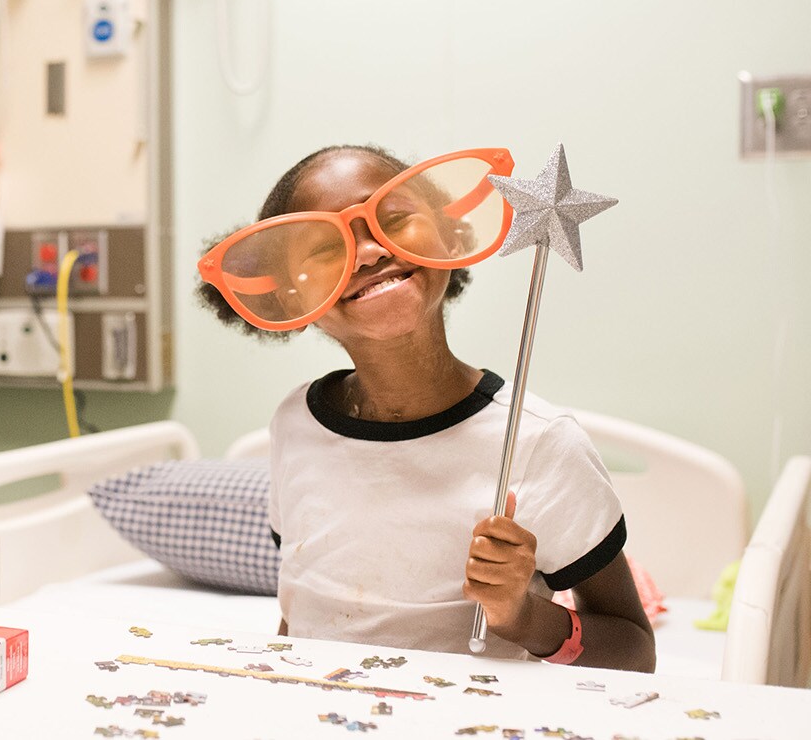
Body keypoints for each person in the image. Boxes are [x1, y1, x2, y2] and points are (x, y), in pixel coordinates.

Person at [197, 144, 655, 671]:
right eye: (324, 248)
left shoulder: (539, 443)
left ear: (451, 235)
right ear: (288, 301)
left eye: (394, 220)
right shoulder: (295, 422)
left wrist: (523, 617)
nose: (369, 252)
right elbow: (300, 606)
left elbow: (635, 652)